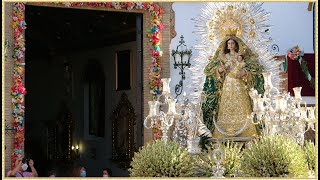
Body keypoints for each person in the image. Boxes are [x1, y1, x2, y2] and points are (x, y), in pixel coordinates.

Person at [202, 35, 264, 138]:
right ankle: (223, 130)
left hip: (238, 83)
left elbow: (249, 68)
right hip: (227, 83)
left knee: (241, 103)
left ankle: (247, 131)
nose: (230, 45)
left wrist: (244, 73)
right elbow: (214, 70)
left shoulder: (239, 56)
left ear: (236, 45)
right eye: (229, 43)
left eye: (232, 43)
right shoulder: (224, 57)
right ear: (226, 45)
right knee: (226, 103)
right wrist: (220, 70)